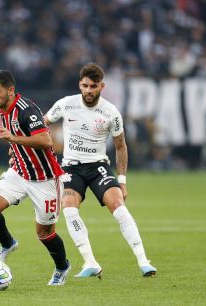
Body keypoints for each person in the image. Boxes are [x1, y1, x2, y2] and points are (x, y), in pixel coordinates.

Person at [44, 63, 156, 278]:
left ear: (102, 86)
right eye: (85, 85)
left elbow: (121, 146)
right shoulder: (65, 105)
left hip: (98, 167)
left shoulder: (110, 112)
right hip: (71, 167)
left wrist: (122, 180)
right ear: (79, 84)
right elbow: (42, 123)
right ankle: (90, 262)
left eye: (93, 86)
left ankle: (143, 261)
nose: (88, 90)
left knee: (118, 206)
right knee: (68, 208)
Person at [0, 70, 71, 285]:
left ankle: (62, 267)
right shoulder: (2, 109)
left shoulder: (26, 109)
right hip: (20, 172)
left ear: (10, 91)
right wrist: (15, 149)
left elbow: (45, 140)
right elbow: (21, 138)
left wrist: (13, 138)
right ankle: (8, 244)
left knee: (44, 233)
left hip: (45, 179)